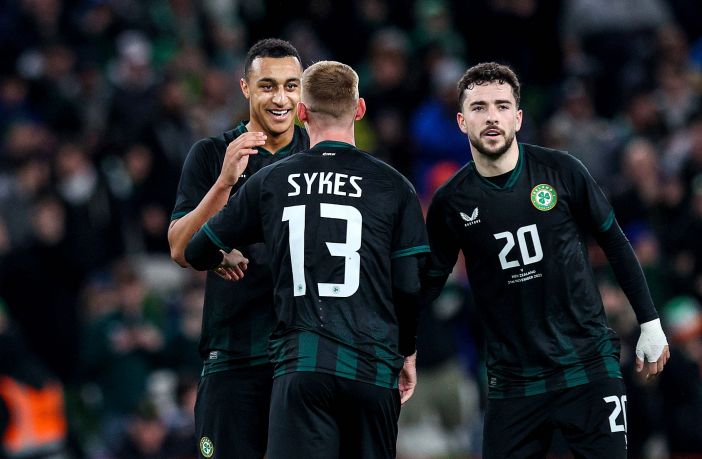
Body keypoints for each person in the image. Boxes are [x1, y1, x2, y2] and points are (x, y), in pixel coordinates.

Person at [422, 62, 671, 459]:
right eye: (479, 107)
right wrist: (401, 344)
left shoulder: (562, 171)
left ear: (518, 118)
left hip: (587, 367)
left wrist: (650, 321)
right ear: (461, 121)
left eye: (502, 106)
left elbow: (614, 242)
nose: (491, 117)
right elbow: (429, 283)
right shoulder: (451, 201)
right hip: (513, 384)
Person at [185, 60, 428, 459]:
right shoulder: (393, 186)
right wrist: (408, 351)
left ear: (301, 112)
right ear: (360, 109)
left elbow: (195, 250)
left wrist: (222, 255)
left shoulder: (272, 180)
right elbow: (407, 285)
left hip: (302, 366)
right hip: (372, 369)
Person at [167, 38, 309, 459]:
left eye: (290, 86)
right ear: (245, 87)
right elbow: (179, 247)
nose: (280, 98)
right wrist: (224, 183)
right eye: (267, 86)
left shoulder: (320, 156)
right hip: (233, 356)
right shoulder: (212, 154)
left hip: (302, 358)